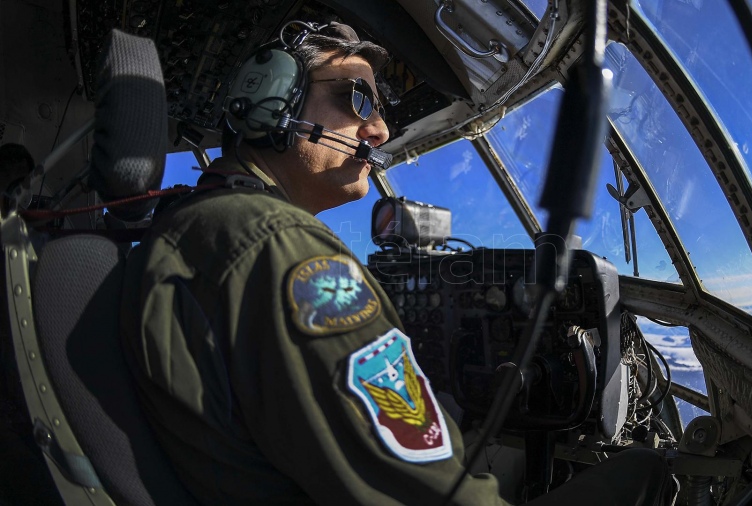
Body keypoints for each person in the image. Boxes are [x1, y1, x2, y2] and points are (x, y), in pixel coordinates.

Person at [121, 22, 673, 505]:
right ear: (273, 98)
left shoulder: (197, 223)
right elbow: (436, 494)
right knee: (646, 470)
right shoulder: (284, 249)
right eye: (355, 98)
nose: (380, 129)